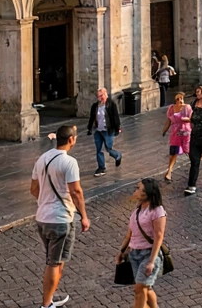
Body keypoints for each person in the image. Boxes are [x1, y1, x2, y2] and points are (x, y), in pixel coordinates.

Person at [31, 125, 88, 308]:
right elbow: (76, 191)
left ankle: (51, 296)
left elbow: (33, 189)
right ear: (71, 140)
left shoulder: (42, 159)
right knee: (54, 263)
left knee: (56, 260)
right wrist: (84, 216)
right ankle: (46, 304)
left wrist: (46, 200)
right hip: (60, 219)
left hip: (42, 218)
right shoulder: (69, 162)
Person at [116, 178, 167, 307]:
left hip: (148, 254)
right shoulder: (138, 210)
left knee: (139, 289)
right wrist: (122, 251)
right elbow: (130, 234)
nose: (136, 191)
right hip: (134, 254)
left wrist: (151, 261)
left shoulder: (157, 211)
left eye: (138, 188)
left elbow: (158, 237)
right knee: (146, 288)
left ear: (147, 193)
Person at [88, 87, 122, 177]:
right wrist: (89, 128)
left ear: (106, 94)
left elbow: (115, 117)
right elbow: (92, 118)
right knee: (99, 149)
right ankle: (101, 167)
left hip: (108, 130)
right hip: (98, 130)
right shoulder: (95, 106)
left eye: (102, 95)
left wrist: (117, 128)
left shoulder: (111, 104)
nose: (100, 97)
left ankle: (117, 155)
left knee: (109, 149)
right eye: (98, 96)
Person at [161, 92, 191, 182]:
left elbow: (192, 118)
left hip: (186, 134)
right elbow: (168, 121)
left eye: (181, 98)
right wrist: (164, 130)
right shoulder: (171, 108)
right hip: (175, 135)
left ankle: (194, 169)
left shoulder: (187, 107)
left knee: (189, 152)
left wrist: (184, 119)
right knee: (173, 153)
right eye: (178, 99)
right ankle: (169, 171)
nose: (180, 100)